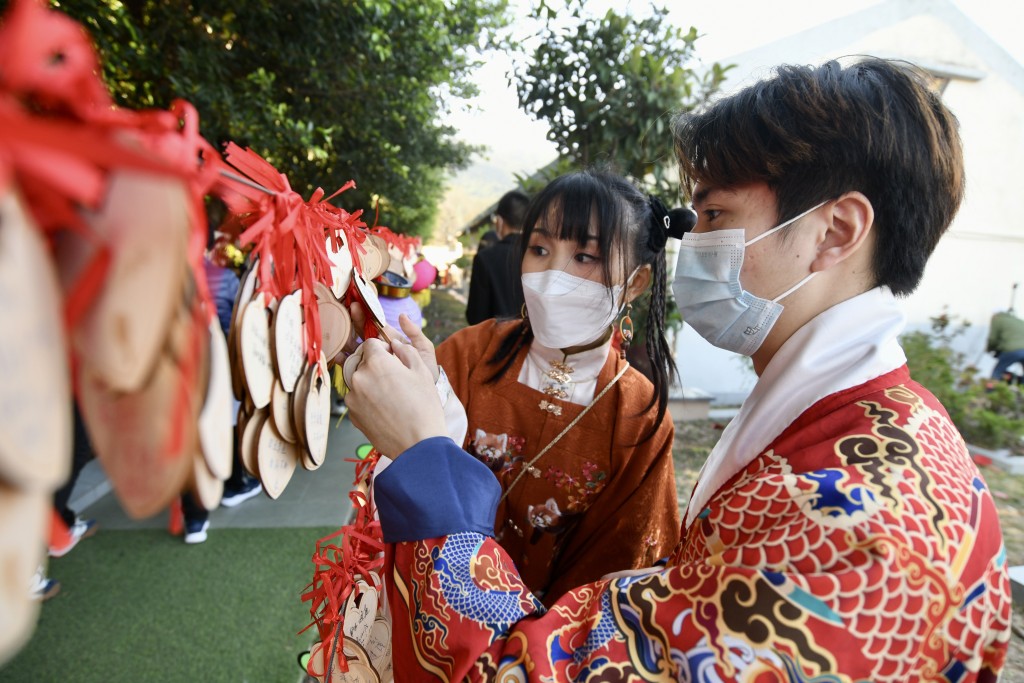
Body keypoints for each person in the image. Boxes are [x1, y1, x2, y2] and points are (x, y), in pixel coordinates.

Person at [344, 58, 1011, 681]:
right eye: (539, 248)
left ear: (834, 232)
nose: (690, 244)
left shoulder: (864, 526)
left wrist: (429, 461)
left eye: (715, 214)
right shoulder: (841, 432)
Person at [404, 170, 684, 605]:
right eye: (539, 249)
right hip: (434, 604)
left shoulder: (640, 415)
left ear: (635, 283)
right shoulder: (468, 354)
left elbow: (622, 562)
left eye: (584, 257)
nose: (552, 274)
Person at [465, 190, 530, 324]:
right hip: (531, 340)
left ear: (499, 221)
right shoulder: (537, 256)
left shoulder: (485, 258)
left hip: (495, 340)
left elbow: (475, 316)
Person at [987, 308, 1024, 381]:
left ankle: (990, 391)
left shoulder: (997, 319)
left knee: (997, 372)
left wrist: (989, 349)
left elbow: (993, 339)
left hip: (1012, 350)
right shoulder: (1019, 321)